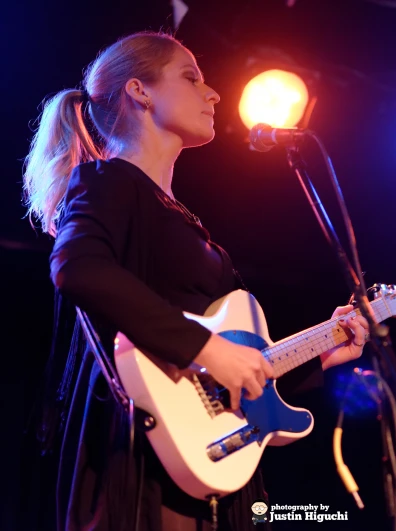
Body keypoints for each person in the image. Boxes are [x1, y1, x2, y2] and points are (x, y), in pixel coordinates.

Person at [22, 30, 370, 531]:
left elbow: (229, 372)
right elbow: (78, 268)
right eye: (191, 78)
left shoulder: (182, 218)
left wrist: (325, 349)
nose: (214, 94)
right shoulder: (109, 182)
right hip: (140, 457)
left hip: (210, 469)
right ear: (139, 91)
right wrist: (205, 349)